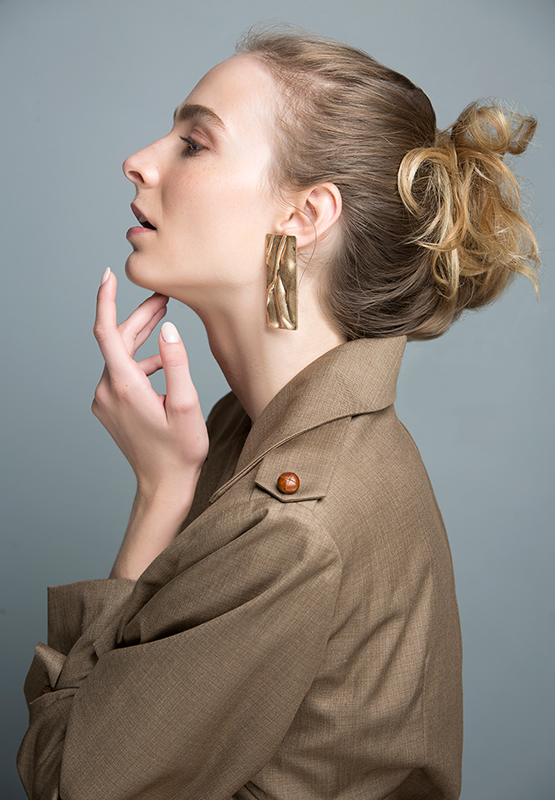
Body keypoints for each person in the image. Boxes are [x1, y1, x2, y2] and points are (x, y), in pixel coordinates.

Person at [17, 25, 538, 800]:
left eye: (194, 142)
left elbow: (71, 788)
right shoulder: (247, 429)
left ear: (303, 217)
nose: (139, 160)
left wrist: (160, 497)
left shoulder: (292, 523)